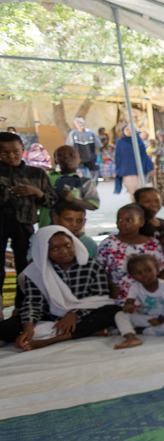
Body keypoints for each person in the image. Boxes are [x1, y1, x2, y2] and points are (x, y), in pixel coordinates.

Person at [11, 227, 119, 351]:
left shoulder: (92, 266)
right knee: (10, 325)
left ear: (74, 244)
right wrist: (28, 329)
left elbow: (100, 298)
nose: (63, 251)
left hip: (84, 315)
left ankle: (50, 340)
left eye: (67, 246)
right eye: (55, 249)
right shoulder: (36, 272)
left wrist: (74, 314)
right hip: (49, 316)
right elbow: (33, 302)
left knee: (112, 311)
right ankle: (84, 331)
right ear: (44, 251)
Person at [1, 131, 56, 293]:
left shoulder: (36, 174)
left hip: (24, 223)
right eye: (5, 152)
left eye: (16, 151)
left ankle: (23, 303)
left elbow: (52, 200)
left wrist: (36, 192)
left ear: (23, 149)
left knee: (25, 265)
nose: (11, 156)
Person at [113, 253, 164, 349]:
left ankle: (140, 331)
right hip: (147, 318)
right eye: (138, 273)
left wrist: (161, 320)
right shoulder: (135, 287)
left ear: (157, 270)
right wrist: (128, 307)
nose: (144, 275)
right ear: (132, 276)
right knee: (120, 315)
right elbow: (129, 303)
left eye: (148, 270)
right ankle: (131, 338)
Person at [95, 204, 164, 301]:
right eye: (120, 220)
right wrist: (110, 287)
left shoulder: (153, 244)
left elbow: (162, 270)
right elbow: (98, 271)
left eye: (128, 220)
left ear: (141, 222)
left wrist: (158, 291)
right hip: (119, 297)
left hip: (150, 297)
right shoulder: (108, 244)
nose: (123, 223)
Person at [39, 145, 100, 228]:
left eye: (72, 155)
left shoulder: (85, 182)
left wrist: (73, 200)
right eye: (60, 155)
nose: (66, 157)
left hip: (72, 230)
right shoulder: (46, 178)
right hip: (46, 227)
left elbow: (94, 205)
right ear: (56, 160)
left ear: (79, 159)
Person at [114, 125, 153, 195]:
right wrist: (117, 170)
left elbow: (144, 154)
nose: (129, 131)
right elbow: (118, 156)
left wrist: (150, 167)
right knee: (132, 191)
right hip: (127, 170)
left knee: (140, 190)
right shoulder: (120, 142)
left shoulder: (138, 141)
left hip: (139, 169)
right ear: (123, 131)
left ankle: (139, 204)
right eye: (127, 130)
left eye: (130, 129)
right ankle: (135, 204)